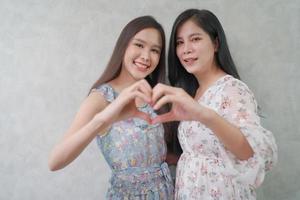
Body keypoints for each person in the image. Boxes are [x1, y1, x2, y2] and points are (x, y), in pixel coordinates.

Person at [150, 9, 277, 199]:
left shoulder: (232, 89)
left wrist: (203, 114)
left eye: (195, 39)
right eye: (180, 42)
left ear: (216, 43)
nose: (186, 49)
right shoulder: (194, 93)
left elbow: (251, 153)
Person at [48, 16, 174, 199]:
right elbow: (55, 161)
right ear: (124, 46)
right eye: (139, 45)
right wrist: (105, 117)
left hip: (167, 193)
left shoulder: (156, 92)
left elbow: (157, 153)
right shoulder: (101, 98)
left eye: (155, 50)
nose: (146, 56)